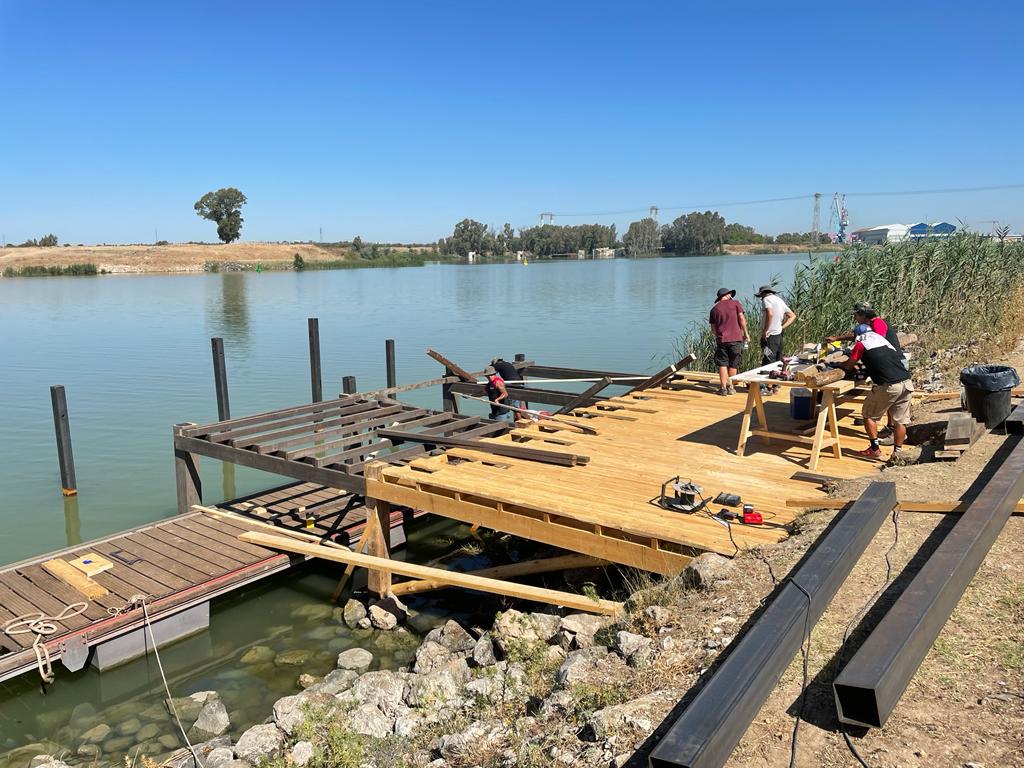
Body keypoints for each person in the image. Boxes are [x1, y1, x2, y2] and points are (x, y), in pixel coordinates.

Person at [826, 301, 906, 443]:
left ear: (863, 315)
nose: (855, 318)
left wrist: (853, 357)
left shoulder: (878, 323)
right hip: (890, 365)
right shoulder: (868, 326)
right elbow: (860, 334)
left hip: (892, 363)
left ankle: (890, 432)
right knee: (891, 400)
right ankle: (889, 428)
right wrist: (837, 338)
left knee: (891, 400)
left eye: (856, 315)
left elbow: (875, 340)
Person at [837, 323, 914, 462]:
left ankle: (874, 449)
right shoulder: (883, 341)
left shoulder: (861, 343)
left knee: (869, 415)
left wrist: (840, 365)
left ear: (857, 335)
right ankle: (897, 454)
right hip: (906, 382)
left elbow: (850, 363)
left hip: (888, 384)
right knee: (900, 421)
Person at [708, 287, 750, 396]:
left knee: (722, 363)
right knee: (733, 363)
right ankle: (731, 387)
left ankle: (723, 388)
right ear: (726, 295)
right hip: (736, 338)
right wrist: (746, 333)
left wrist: (718, 336)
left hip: (722, 339)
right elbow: (742, 319)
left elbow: (713, 328)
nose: (731, 296)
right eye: (730, 294)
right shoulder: (736, 304)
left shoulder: (714, 309)